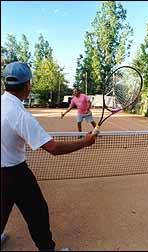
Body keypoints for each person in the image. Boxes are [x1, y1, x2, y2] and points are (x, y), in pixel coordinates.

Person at [1, 61, 96, 251]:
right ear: (27, 85)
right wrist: (85, 142)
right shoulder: (20, 115)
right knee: (38, 213)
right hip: (15, 173)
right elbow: (53, 148)